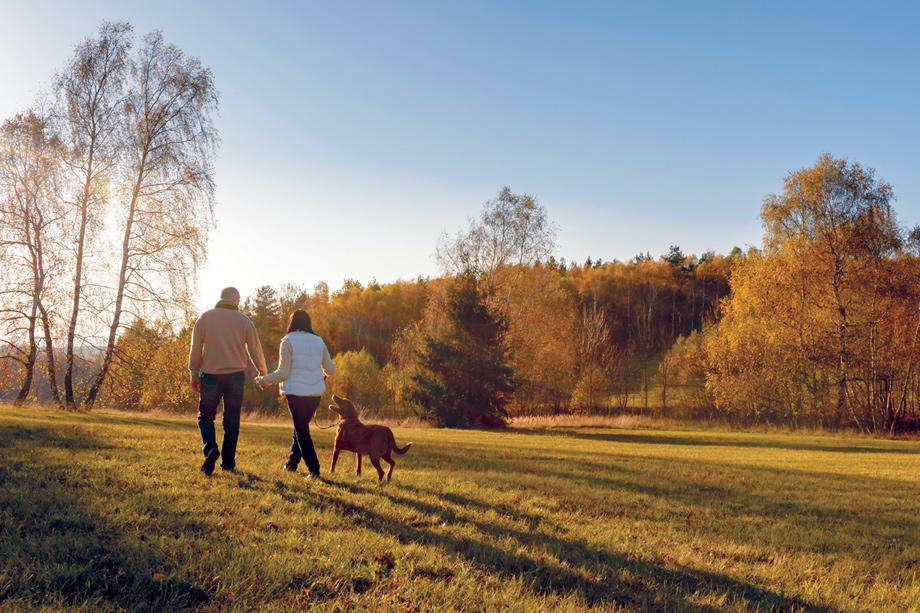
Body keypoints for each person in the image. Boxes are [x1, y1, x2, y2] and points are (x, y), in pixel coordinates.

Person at [188, 287, 267, 475]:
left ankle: (210, 449)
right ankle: (228, 464)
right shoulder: (244, 320)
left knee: (205, 417)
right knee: (231, 420)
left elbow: (196, 347)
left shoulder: (205, 318)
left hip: (210, 375)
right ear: (235, 299)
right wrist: (263, 372)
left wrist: (193, 372)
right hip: (235, 377)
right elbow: (255, 349)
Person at [256, 309, 335, 478]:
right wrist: (321, 373)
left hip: (295, 393)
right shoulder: (318, 341)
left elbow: (283, 373)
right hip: (314, 394)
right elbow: (330, 369)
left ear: (292, 323)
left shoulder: (287, 341)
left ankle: (314, 470)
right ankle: (291, 464)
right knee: (300, 428)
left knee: (301, 431)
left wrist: (264, 380)